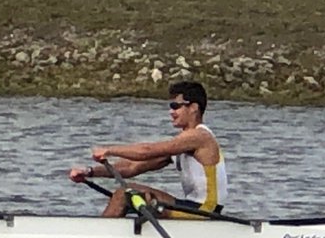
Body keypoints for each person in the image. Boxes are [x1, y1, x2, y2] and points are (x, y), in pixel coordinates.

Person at [69, 80, 227, 218]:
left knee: (124, 193)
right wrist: (90, 172)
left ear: (193, 108)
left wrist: (109, 150)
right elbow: (132, 166)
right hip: (190, 205)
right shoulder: (183, 143)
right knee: (128, 194)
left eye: (175, 106)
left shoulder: (200, 136)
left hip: (205, 210)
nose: (171, 112)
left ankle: (101, 237)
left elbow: (146, 150)